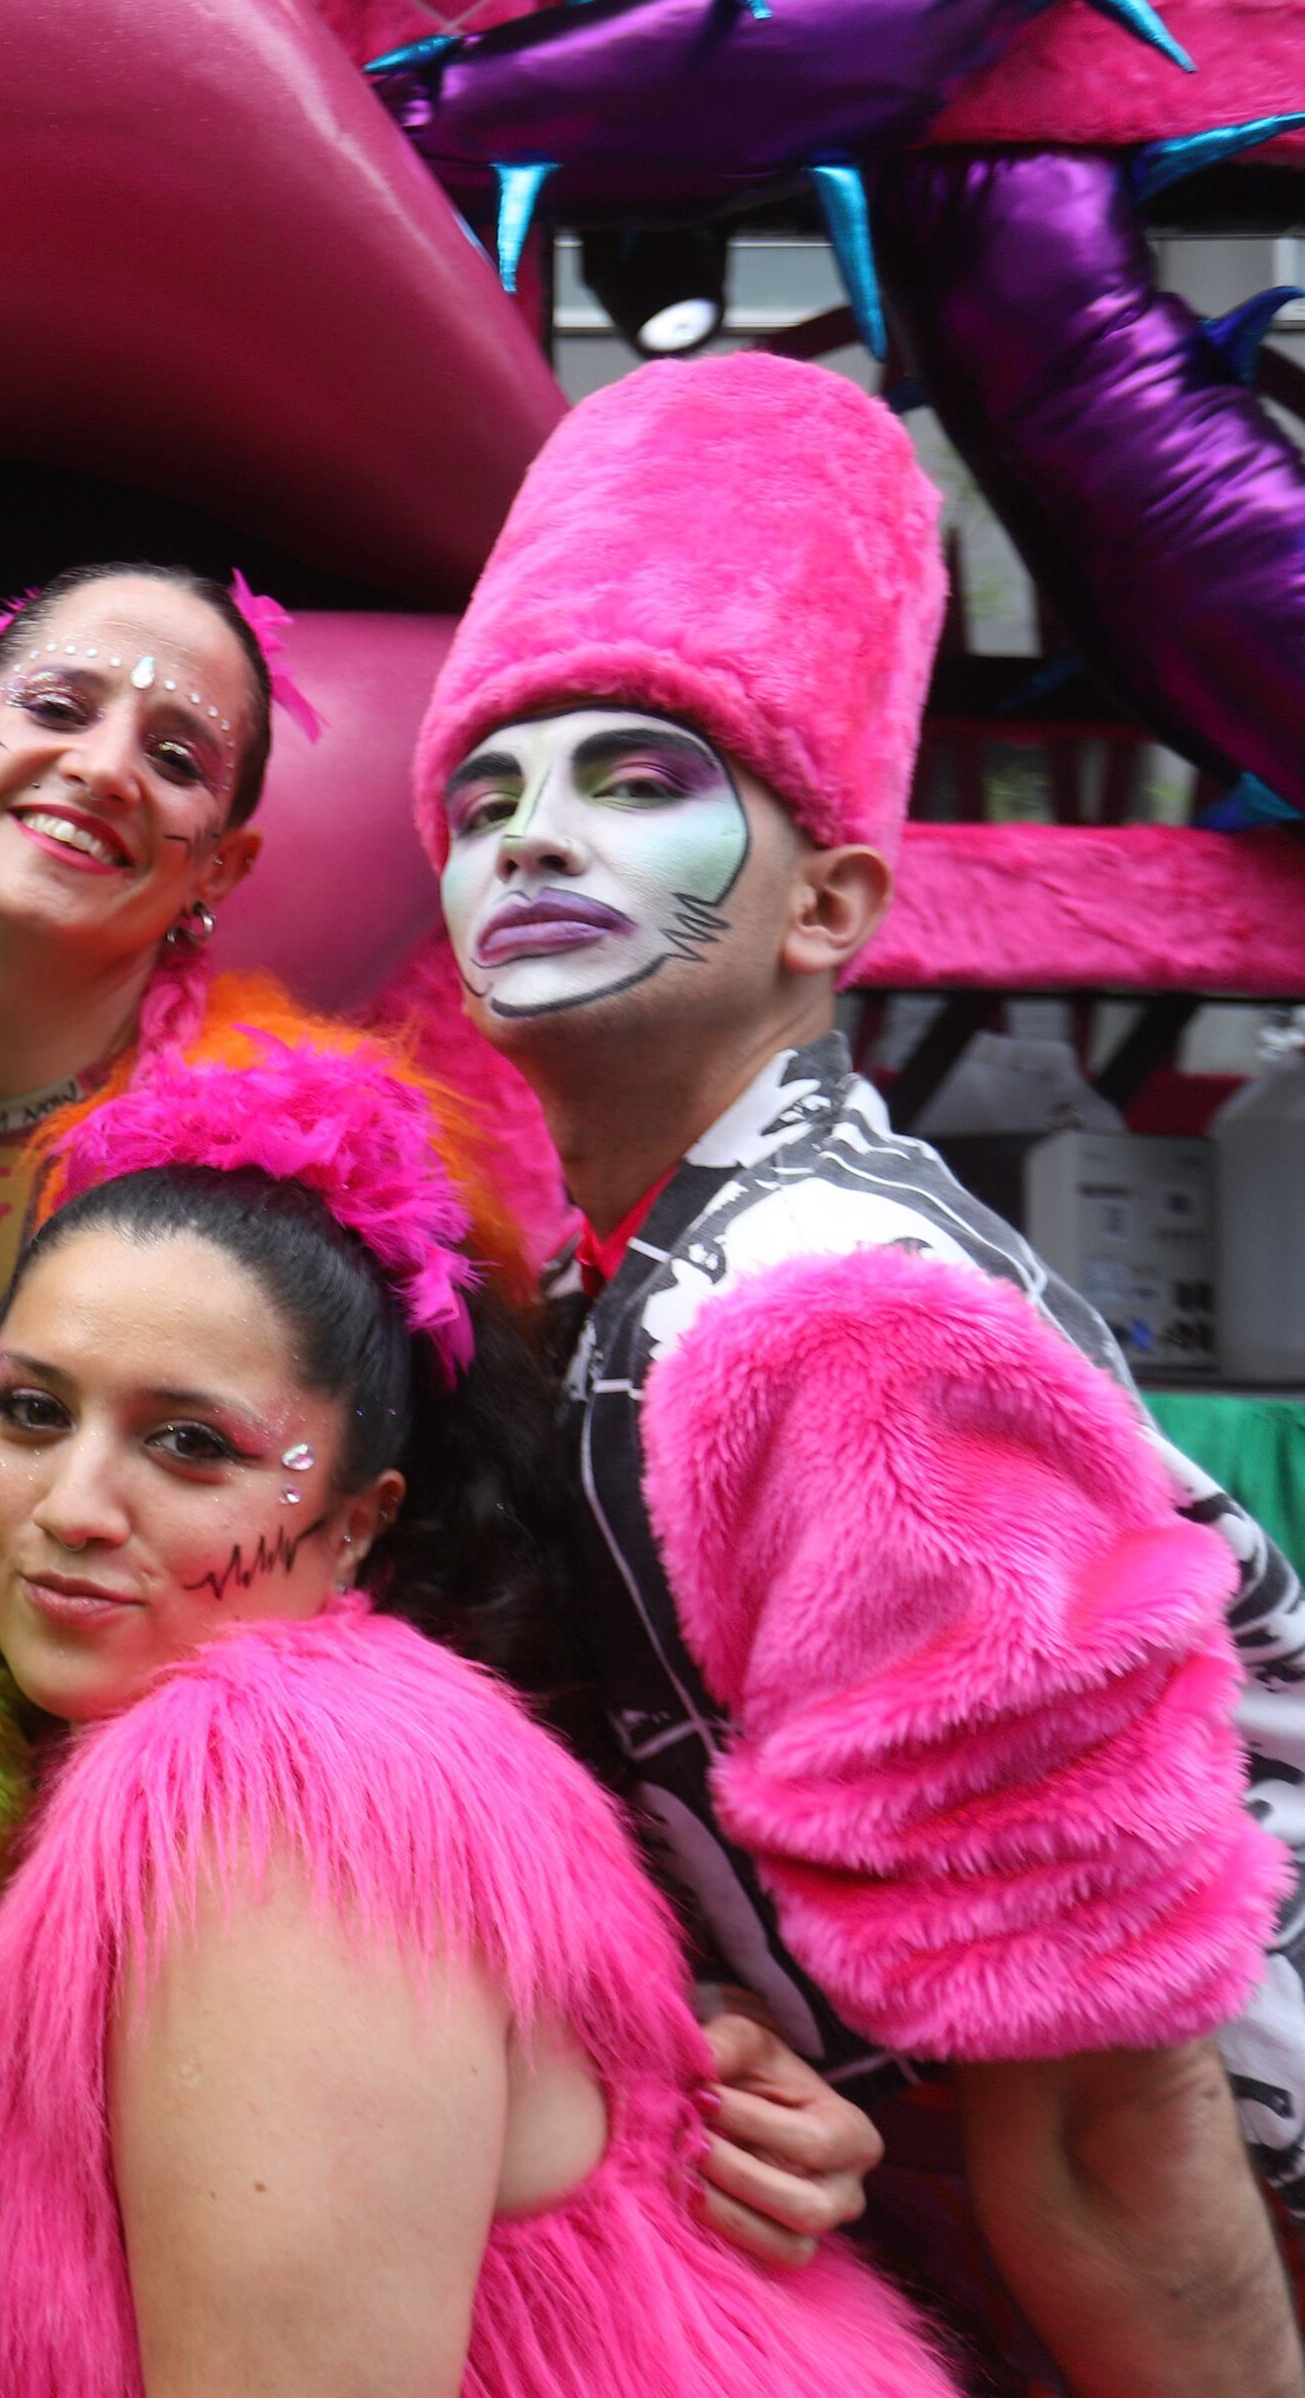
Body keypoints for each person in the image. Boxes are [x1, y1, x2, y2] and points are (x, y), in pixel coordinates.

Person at [422, 350, 1304, 2394]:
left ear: (830, 903)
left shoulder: (839, 1310)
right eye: (486, 799)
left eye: (638, 780)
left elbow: (1110, 2104)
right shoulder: (615, 1268)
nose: (534, 838)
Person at [0, 1047, 962, 2398]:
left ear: (355, 1522)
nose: (72, 1504)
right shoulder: (105, 1751)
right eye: (32, 1413)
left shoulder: (277, 1792)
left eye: (191, 1445)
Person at [0, 558, 532, 1307]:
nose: (104, 768)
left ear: (218, 868)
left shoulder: (287, 1180)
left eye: (175, 759)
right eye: (55, 708)